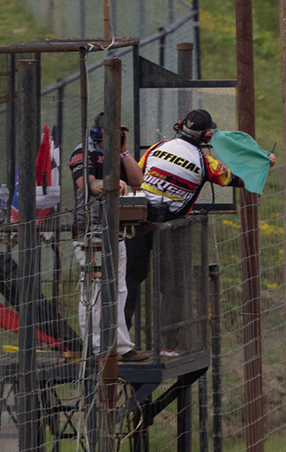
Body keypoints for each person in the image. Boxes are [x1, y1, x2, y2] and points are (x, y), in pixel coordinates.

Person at [122, 109, 245, 361]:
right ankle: (169, 345)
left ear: (180, 126)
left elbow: (138, 175)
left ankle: (122, 344)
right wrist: (260, 160)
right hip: (173, 225)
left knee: (130, 280)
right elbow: (238, 180)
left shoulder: (159, 146)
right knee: (174, 285)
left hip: (139, 217)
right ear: (207, 135)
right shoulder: (207, 163)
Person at [71, 116, 146, 358]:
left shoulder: (116, 153)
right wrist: (113, 184)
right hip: (90, 231)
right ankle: (94, 347)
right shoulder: (83, 153)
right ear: (97, 133)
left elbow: (137, 180)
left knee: (119, 288)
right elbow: (88, 185)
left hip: (117, 230)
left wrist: (124, 152)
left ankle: (121, 346)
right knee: (94, 290)